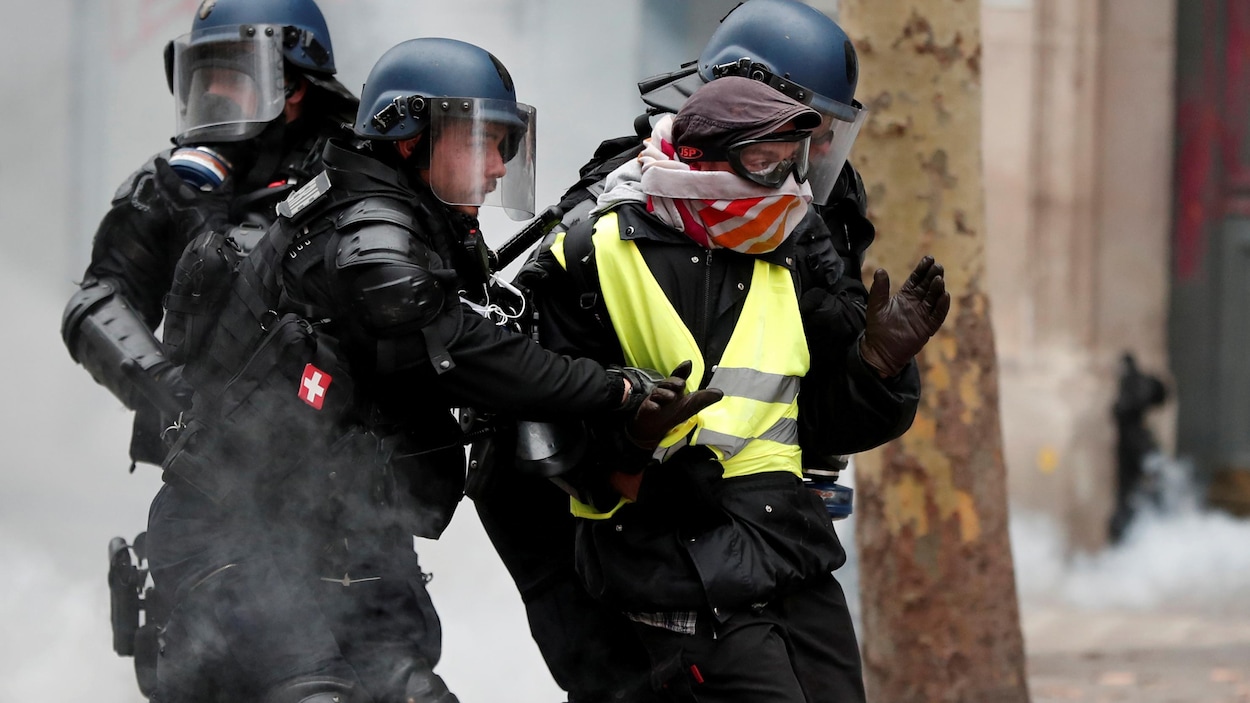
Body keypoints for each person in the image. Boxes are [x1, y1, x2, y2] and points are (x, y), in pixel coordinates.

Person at [147, 36, 720, 703]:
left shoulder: (423, 226)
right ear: (408, 136)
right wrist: (615, 390)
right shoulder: (369, 239)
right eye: (480, 140)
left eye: (506, 144)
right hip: (235, 535)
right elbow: (469, 350)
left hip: (335, 538)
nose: (499, 165)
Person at [469, 2, 905, 700]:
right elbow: (536, 392)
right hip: (563, 502)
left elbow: (807, 391)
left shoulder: (813, 209)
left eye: (828, 135)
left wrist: (879, 370)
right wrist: (635, 468)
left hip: (734, 529)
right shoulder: (625, 205)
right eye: (806, 132)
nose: (817, 155)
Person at [58, 0, 358, 696]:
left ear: (296, 90)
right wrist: (165, 386)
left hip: (343, 497)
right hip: (215, 498)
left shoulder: (356, 178)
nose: (216, 94)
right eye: (206, 75)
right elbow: (95, 300)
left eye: (236, 75)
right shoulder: (175, 186)